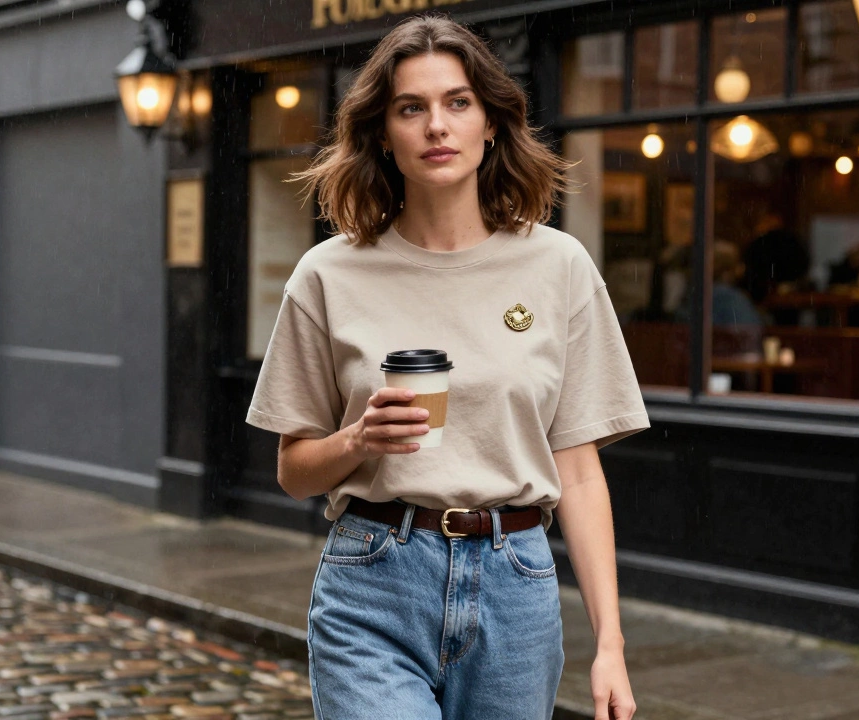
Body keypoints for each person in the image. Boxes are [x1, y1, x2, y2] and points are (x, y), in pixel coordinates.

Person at [245, 15, 649, 720]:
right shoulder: (327, 275)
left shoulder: (558, 266)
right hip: (374, 577)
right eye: (411, 108)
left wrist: (610, 642)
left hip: (517, 583)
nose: (437, 125)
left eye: (458, 102)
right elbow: (293, 470)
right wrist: (357, 440)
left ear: (490, 123)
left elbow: (579, 472)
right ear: (382, 133)